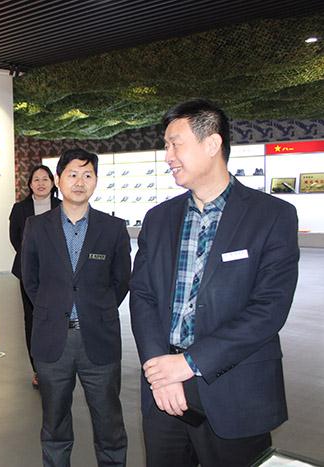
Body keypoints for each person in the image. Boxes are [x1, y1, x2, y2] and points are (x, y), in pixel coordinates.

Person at [130, 99, 300, 467]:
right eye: (166, 145)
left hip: (235, 390)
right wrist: (161, 371)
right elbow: (142, 296)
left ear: (212, 144)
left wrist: (190, 362)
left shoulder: (272, 216)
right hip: (164, 389)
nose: (168, 156)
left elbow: (268, 310)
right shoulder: (158, 219)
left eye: (175, 144)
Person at [22, 148, 130, 467]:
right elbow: (31, 281)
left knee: (109, 426)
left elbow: (121, 281)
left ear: (96, 181)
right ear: (58, 180)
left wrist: (96, 310)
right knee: (54, 426)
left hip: (99, 339)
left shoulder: (113, 228)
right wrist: (54, 309)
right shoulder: (36, 227)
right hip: (52, 340)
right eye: (72, 174)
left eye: (87, 175)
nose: (79, 182)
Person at [9, 164, 61, 388]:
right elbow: (15, 238)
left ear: (52, 183)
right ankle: (38, 369)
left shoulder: (61, 206)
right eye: (36, 179)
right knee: (32, 318)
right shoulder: (20, 209)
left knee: (58, 316)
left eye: (45, 179)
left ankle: (57, 363)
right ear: (30, 184)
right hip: (29, 272)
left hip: (59, 272)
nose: (40, 183)